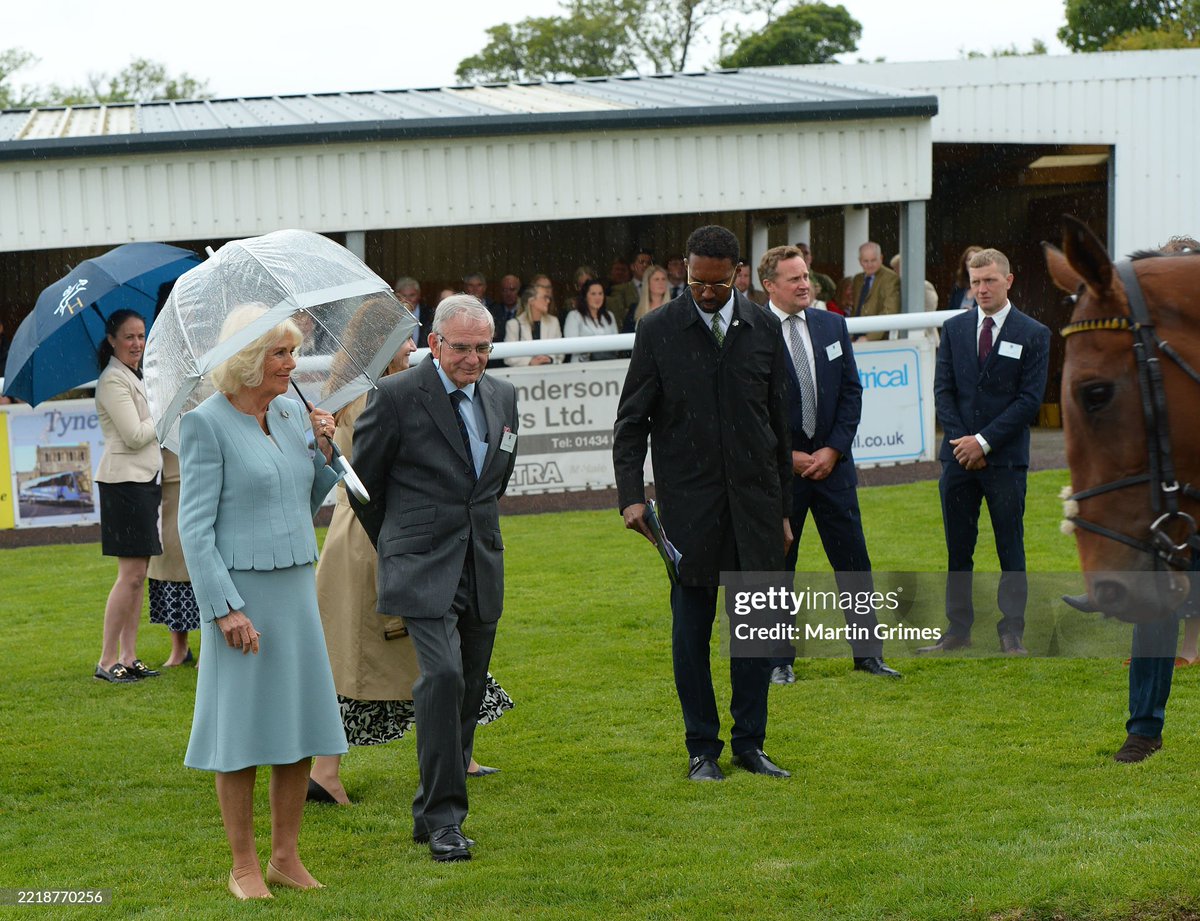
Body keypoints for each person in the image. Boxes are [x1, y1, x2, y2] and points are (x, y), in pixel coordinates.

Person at [613, 224, 793, 783]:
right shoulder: (658, 329)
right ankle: (702, 749)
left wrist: (784, 509)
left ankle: (751, 743)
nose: (705, 292)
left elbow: (780, 427)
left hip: (757, 508)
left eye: (716, 283)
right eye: (696, 281)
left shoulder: (764, 327)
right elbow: (630, 422)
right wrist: (630, 496)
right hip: (688, 510)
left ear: (738, 274)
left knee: (756, 630)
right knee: (691, 633)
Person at [178, 305, 346, 899]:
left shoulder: (289, 410)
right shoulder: (205, 424)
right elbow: (193, 530)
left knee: (298, 728)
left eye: (292, 352)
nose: (292, 364)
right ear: (248, 359)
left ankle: (286, 858)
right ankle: (244, 866)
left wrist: (324, 453)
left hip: (297, 588)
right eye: (279, 353)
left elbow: (299, 502)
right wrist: (225, 608)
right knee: (243, 733)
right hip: (242, 599)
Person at [350, 295, 519, 862]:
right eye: (462, 347)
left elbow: (496, 478)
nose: (473, 359)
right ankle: (447, 820)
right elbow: (365, 489)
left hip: (481, 561)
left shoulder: (503, 395)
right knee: (442, 678)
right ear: (435, 345)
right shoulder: (397, 396)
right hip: (420, 565)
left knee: (469, 687)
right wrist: (400, 544)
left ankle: (431, 809)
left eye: (482, 348)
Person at [311, 332, 513, 805]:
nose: (410, 350)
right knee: (370, 662)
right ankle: (328, 770)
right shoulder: (379, 396)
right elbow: (374, 476)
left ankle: (454, 755)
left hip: (377, 538)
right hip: (378, 540)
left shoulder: (355, 394)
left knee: (398, 658)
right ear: (377, 344)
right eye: (402, 341)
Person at [757, 246, 901, 684]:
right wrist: (788, 457)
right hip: (781, 475)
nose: (806, 285)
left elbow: (852, 393)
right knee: (779, 566)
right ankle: (779, 661)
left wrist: (833, 450)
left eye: (807, 276)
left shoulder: (832, 324)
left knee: (853, 560)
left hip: (833, 468)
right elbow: (746, 410)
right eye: (795, 278)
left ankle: (868, 656)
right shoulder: (751, 331)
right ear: (769, 286)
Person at [920, 248, 1049, 655]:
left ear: (1008, 281)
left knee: (1010, 546)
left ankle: (1012, 630)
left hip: (1005, 460)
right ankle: (958, 629)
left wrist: (985, 442)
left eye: (990, 280)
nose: (982, 289)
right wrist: (964, 444)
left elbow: (1029, 401)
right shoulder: (954, 328)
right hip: (958, 458)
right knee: (958, 547)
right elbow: (944, 391)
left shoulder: (1033, 333)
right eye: (975, 282)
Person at [94, 309, 163, 683]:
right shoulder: (112, 381)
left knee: (139, 575)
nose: (137, 343)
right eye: (129, 337)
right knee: (130, 575)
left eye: (141, 336)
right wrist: (163, 412)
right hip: (124, 485)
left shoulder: (135, 376)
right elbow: (136, 435)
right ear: (112, 340)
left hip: (143, 481)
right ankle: (107, 660)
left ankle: (129, 656)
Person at [148, 449, 198, 668]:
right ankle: (179, 648)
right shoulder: (154, 414)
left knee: (197, 563)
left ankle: (210, 648)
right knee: (167, 563)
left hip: (196, 472)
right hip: (161, 477)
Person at [850, 242, 901, 341]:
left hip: (878, 340)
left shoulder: (890, 278)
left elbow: (890, 311)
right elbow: (856, 309)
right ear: (860, 261)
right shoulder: (857, 279)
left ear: (881, 258)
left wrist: (869, 337)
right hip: (856, 336)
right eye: (865, 261)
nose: (869, 265)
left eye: (873, 260)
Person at [505, 286, 563, 366]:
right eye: (544, 298)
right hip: (525, 376)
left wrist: (549, 359)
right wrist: (530, 362)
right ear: (532, 301)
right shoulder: (513, 325)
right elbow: (508, 357)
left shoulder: (553, 322)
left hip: (549, 373)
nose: (548, 301)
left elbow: (561, 352)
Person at [564, 280, 619, 361]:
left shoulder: (609, 316)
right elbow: (570, 345)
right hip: (582, 367)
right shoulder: (574, 316)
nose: (598, 297)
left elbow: (617, 344)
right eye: (593, 294)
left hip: (608, 364)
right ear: (585, 296)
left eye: (600, 293)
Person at [621, 264, 670, 334]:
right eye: (656, 279)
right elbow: (626, 335)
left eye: (663, 279)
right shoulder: (634, 309)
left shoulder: (674, 307)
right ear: (648, 283)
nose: (661, 283)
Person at [394, 276, 434, 346]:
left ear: (419, 295)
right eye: (404, 295)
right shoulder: (393, 315)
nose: (408, 299)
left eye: (412, 295)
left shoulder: (430, 314)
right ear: (398, 297)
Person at [796, 243, 836, 307]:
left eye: (806, 253)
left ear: (811, 258)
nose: (803, 256)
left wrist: (817, 295)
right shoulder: (786, 278)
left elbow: (833, 293)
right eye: (799, 253)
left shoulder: (822, 279)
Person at [947, 245, 983, 311]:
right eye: (969, 259)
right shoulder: (958, 288)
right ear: (964, 263)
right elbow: (950, 310)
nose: (972, 262)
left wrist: (973, 313)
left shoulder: (987, 287)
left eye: (976, 259)